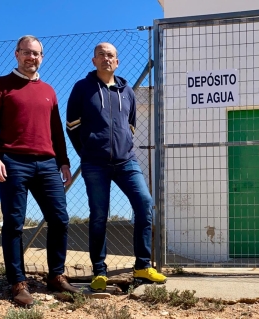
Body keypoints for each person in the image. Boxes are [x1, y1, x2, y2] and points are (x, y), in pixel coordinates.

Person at [0, 35, 80, 307]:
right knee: (14, 223)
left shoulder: (49, 90)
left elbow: (56, 130)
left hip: (48, 164)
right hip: (12, 162)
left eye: (36, 54)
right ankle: (17, 282)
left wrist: (64, 161)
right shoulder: (0, 85)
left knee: (59, 218)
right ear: (16, 54)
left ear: (42, 57)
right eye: (26, 52)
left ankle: (56, 276)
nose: (31, 58)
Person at [66, 42, 166, 292]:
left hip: (126, 162)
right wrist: (88, 152)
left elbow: (130, 126)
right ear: (94, 60)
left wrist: (122, 147)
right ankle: (99, 271)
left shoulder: (127, 91)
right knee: (99, 215)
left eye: (110, 55)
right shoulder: (82, 88)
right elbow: (72, 125)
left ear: (117, 62)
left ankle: (142, 266)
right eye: (100, 55)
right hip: (94, 163)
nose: (106, 59)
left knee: (144, 204)